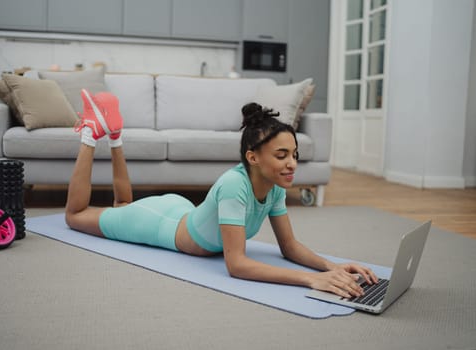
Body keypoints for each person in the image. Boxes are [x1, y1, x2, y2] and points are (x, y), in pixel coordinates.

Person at [65, 89, 378, 299]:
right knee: (76, 216)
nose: (292, 164)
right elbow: (237, 265)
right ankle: (93, 135)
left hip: (180, 212)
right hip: (158, 224)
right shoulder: (234, 185)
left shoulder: (273, 186)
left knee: (121, 205)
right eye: (282, 155)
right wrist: (310, 280)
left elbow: (290, 247)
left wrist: (331, 267)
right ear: (253, 157)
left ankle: (115, 135)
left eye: (294, 154)